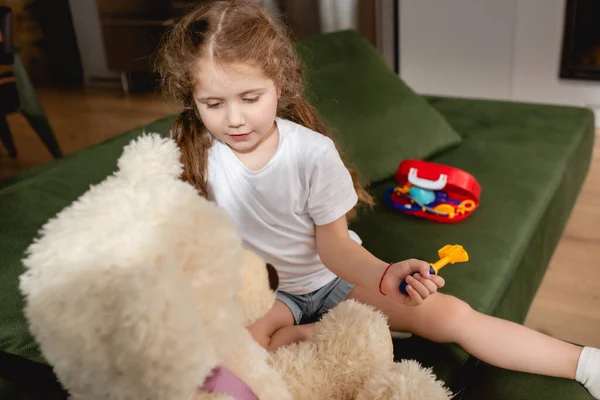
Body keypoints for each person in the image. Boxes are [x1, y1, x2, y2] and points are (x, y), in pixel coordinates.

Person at [154, 0, 599, 397]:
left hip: (336, 278)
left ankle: (584, 363)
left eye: (250, 97)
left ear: (280, 83)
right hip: (271, 297)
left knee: (452, 318)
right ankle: (322, 335)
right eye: (213, 103)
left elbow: (335, 247)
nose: (234, 119)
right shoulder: (194, 150)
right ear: (192, 100)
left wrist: (386, 276)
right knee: (232, 357)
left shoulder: (311, 153)